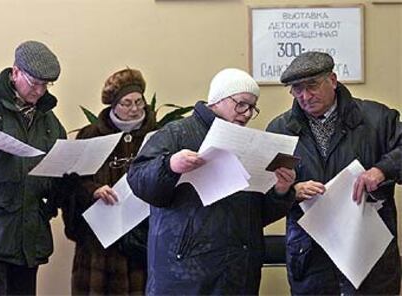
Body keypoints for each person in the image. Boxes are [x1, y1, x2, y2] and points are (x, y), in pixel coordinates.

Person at [127, 68, 297, 295]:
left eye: (252, 107)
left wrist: (280, 192)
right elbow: (138, 179)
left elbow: (255, 215)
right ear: (219, 99)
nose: (247, 113)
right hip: (186, 274)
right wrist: (169, 165)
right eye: (241, 104)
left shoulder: (247, 143)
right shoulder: (177, 133)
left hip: (237, 273)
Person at [266, 51, 402, 295]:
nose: (305, 96)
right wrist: (289, 190)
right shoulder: (280, 130)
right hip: (310, 258)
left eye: (312, 85)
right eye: (297, 89)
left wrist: (382, 170)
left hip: (368, 255)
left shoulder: (377, 119)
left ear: (333, 79)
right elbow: (267, 196)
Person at [60, 68, 156, 295]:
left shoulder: (157, 135)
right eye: (126, 103)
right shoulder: (91, 135)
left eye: (139, 102)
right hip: (98, 246)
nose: (134, 109)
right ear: (113, 105)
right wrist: (92, 191)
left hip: (141, 240)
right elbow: (71, 183)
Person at [0, 40, 66, 295]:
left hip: (28, 236)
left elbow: (59, 173)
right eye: (35, 83)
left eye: (46, 85)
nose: (40, 91)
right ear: (16, 71)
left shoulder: (49, 122)